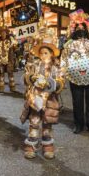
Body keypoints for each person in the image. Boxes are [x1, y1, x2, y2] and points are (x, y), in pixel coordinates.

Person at [20, 25, 65, 159]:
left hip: (50, 99)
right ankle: (31, 145)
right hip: (35, 99)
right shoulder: (34, 65)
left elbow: (61, 81)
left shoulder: (56, 67)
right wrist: (31, 78)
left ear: (51, 54)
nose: (43, 55)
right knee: (34, 122)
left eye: (46, 53)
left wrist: (53, 84)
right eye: (41, 53)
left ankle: (48, 146)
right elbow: (25, 76)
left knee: (47, 124)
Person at [61, 10, 89, 134]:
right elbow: (64, 59)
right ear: (74, 30)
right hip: (75, 77)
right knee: (77, 102)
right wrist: (64, 73)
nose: (80, 29)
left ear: (86, 29)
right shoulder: (69, 46)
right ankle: (78, 124)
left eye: (82, 27)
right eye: (77, 27)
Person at [0, 14, 17, 93]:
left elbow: (15, 47)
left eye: (4, 32)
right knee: (1, 75)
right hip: (0, 60)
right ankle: (1, 88)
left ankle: (12, 87)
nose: (3, 34)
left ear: (6, 33)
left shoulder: (10, 39)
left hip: (8, 59)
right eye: (2, 32)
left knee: (10, 75)